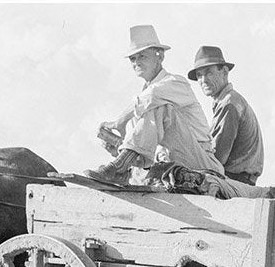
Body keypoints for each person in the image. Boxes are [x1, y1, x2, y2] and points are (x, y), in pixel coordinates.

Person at [91, 25, 228, 182]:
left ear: (160, 56)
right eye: (133, 58)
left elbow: (151, 97)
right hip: (170, 164)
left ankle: (118, 167)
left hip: (201, 162)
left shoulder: (175, 83)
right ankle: (121, 166)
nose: (137, 63)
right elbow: (145, 151)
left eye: (142, 56)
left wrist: (118, 122)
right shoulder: (144, 97)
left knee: (162, 107)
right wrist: (117, 148)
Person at [188, 46, 264, 185]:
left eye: (209, 73)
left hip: (235, 181)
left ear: (224, 72)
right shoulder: (229, 101)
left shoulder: (229, 104)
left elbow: (216, 160)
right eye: (199, 75)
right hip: (238, 179)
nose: (203, 80)